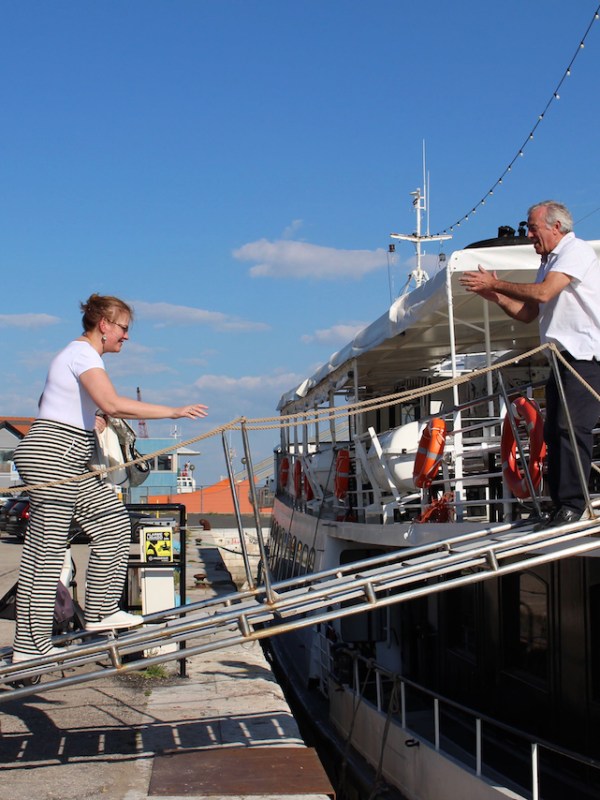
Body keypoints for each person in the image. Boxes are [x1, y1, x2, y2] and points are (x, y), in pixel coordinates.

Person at [11, 294, 208, 662]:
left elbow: (50, 402)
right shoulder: (82, 353)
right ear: (104, 324)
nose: (126, 337)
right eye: (123, 328)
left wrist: (88, 420)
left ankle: (101, 612)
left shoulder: (78, 356)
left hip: (66, 455)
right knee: (46, 552)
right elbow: (114, 402)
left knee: (112, 523)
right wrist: (173, 411)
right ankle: (28, 646)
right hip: (54, 457)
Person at [460, 200, 600, 527]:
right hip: (561, 359)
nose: (528, 234)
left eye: (532, 226)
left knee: (569, 428)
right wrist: (495, 296)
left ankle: (572, 506)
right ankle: (561, 504)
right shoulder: (549, 260)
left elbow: (542, 294)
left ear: (556, 227)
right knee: (553, 431)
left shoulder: (574, 251)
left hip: (585, 356)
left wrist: (496, 283)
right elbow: (528, 314)